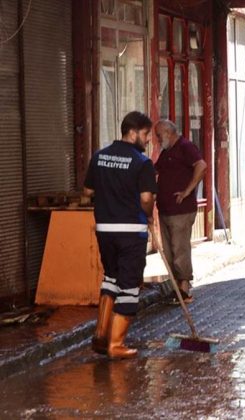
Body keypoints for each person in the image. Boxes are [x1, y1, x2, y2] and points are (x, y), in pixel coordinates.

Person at [83, 111, 157, 358]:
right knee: (129, 286)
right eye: (146, 134)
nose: (147, 141)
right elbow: (147, 199)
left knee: (111, 279)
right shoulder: (142, 163)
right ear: (133, 132)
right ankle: (116, 345)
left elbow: (87, 191)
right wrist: (148, 214)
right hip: (130, 231)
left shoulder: (99, 156)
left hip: (104, 229)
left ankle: (101, 337)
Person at [154, 120, 207, 304]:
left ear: (168, 132)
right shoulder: (166, 152)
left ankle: (184, 289)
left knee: (180, 249)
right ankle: (176, 288)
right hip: (165, 208)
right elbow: (155, 170)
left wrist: (187, 190)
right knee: (169, 252)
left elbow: (201, 166)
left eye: (159, 135)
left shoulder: (185, 146)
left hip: (181, 209)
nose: (157, 139)